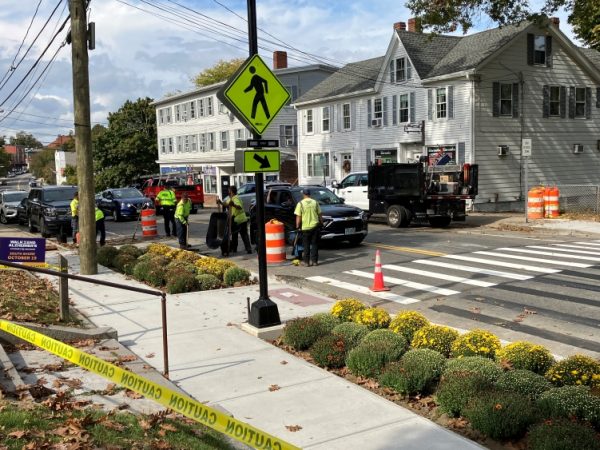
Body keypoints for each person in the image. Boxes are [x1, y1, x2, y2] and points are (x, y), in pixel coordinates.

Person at [218, 185, 252, 255]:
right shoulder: (231, 198)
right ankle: (236, 249)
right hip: (236, 220)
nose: (228, 192)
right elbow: (226, 204)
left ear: (231, 192)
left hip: (239, 220)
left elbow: (239, 207)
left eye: (229, 191)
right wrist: (220, 202)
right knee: (235, 235)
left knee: (243, 234)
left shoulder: (236, 198)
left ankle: (247, 249)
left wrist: (233, 205)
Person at [294, 188, 323, 267]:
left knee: (306, 245)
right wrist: (322, 222)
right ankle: (315, 262)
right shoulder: (315, 202)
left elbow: (298, 216)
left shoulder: (301, 203)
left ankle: (306, 262)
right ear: (309, 194)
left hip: (305, 228)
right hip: (315, 227)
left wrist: (297, 226)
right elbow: (320, 214)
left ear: (303, 195)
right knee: (315, 244)